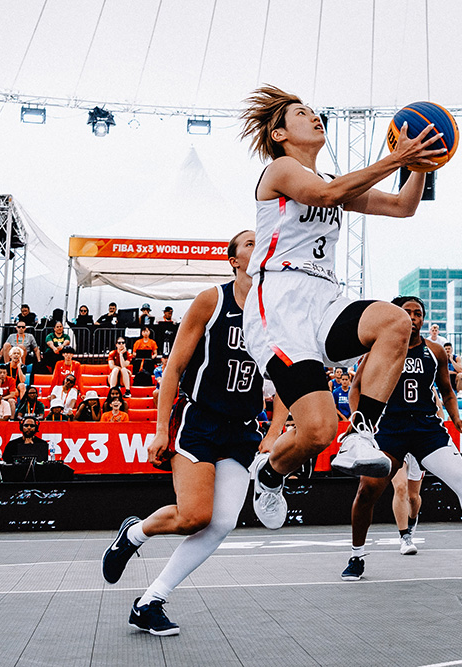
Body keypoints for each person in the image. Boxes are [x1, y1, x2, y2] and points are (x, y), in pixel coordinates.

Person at [239, 85, 443, 528]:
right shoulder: (281, 170)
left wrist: (421, 164)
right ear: (278, 133)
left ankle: (361, 433)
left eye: (314, 112)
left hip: (324, 296)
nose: (315, 117)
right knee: (316, 431)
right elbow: (326, 197)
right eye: (301, 113)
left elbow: (403, 207)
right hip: (279, 302)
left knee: (394, 321)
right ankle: (270, 474)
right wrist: (396, 157)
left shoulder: (332, 181)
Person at [101, 230, 269, 636]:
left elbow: (284, 379)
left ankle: (149, 601)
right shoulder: (213, 300)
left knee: (223, 523)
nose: (256, 244)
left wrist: (275, 431)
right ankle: (135, 533)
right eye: (247, 243)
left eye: (259, 240)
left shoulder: (274, 311)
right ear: (233, 260)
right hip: (200, 420)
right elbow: (174, 367)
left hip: (243, 429)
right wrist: (160, 429)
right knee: (195, 517)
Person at [342, 295, 462, 580]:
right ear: (395, 316)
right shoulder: (378, 349)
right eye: (406, 312)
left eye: (418, 313)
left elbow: (447, 391)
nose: (413, 317)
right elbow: (355, 388)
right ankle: (356, 556)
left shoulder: (435, 351)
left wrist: (457, 419)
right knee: (366, 492)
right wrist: (359, 423)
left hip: (427, 431)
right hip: (390, 431)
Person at [390, 454, 423, 555]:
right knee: (400, 487)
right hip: (395, 445)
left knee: (413, 497)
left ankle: (411, 521)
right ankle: (404, 536)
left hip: (416, 448)